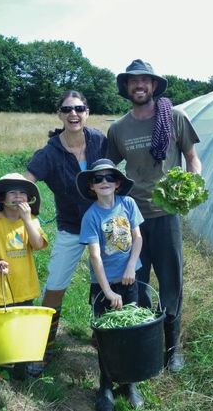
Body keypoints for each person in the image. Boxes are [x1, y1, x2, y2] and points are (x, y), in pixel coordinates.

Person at [0, 90, 107, 376]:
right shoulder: (49, 152)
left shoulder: (100, 140)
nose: (73, 114)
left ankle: (101, 336)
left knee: (105, 280)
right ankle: (44, 345)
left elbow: (116, 170)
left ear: (87, 112)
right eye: (67, 110)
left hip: (103, 225)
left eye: (78, 108)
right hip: (71, 227)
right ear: (59, 114)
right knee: (55, 287)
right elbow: (24, 184)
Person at [106, 59, 202, 373]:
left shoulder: (174, 117)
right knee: (136, 283)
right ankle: (146, 344)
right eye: (133, 82)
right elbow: (107, 170)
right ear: (126, 88)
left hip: (166, 215)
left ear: (154, 85)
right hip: (132, 219)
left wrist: (192, 186)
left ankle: (173, 349)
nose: (139, 86)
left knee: (171, 282)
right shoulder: (119, 129)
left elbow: (192, 158)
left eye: (144, 81)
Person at [76, 158, 144, 411]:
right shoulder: (91, 216)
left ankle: (129, 383)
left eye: (108, 178)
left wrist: (130, 267)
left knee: (130, 332)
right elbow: (95, 256)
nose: (103, 182)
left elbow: (137, 239)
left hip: (130, 281)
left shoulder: (128, 204)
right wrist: (107, 290)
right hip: (105, 286)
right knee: (106, 338)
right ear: (92, 186)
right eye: (97, 179)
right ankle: (105, 386)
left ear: (117, 183)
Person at [0, 173, 48, 380]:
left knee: (23, 331)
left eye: (23, 193)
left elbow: (37, 244)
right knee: (0, 332)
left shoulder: (32, 220)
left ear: (29, 199)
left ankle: (21, 372)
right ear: (2, 199)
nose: (18, 197)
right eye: (13, 193)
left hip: (25, 286)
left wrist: (26, 219)